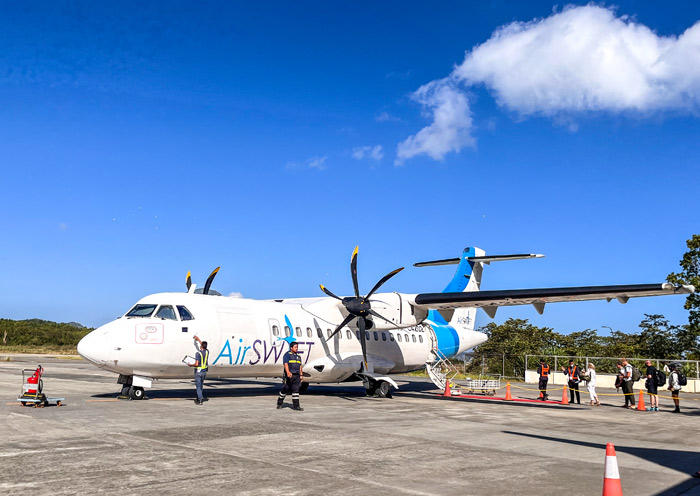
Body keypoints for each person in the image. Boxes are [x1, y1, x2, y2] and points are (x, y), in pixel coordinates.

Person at [277, 341, 304, 411]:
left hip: (297, 375)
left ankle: (296, 406)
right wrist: (288, 372)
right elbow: (286, 364)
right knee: (285, 389)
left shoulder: (298, 356)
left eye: (297, 347)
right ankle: (279, 402)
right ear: (291, 348)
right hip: (290, 376)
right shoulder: (287, 355)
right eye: (295, 347)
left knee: (296, 390)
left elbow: (300, 366)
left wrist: (301, 374)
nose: (296, 348)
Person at [188, 336, 209, 405]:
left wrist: (191, 365)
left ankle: (200, 399)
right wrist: (198, 340)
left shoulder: (198, 353)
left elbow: (196, 364)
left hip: (198, 371)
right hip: (204, 371)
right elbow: (203, 345)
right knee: (201, 385)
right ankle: (198, 396)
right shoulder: (207, 352)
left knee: (198, 385)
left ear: (201, 346)